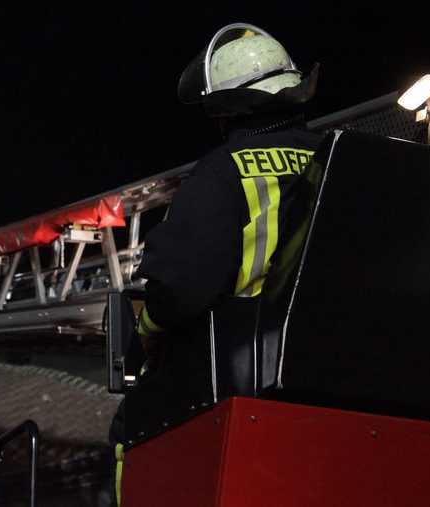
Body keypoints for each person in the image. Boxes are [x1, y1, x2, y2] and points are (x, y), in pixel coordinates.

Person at [110, 23, 321, 505]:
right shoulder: (339, 159)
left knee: (131, 426)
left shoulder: (223, 173)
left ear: (222, 112)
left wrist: (146, 330)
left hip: (245, 376)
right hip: (337, 367)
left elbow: (180, 285)